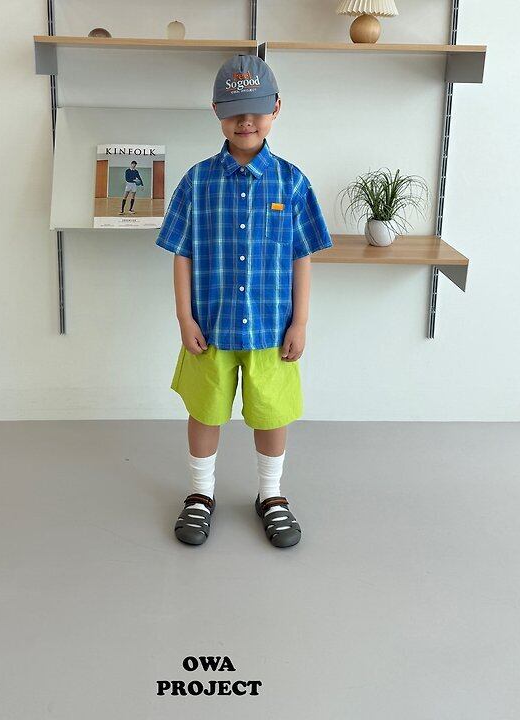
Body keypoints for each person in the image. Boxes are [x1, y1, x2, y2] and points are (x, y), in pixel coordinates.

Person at [155, 54, 333, 548]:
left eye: (256, 109)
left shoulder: (292, 182)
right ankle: (200, 494)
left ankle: (271, 495)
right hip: (209, 328)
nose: (246, 120)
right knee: (205, 411)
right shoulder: (197, 181)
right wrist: (184, 316)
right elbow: (182, 253)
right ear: (217, 110)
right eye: (234, 110)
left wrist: (300, 323)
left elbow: (301, 256)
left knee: (271, 413)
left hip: (271, 330)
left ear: (276, 108)